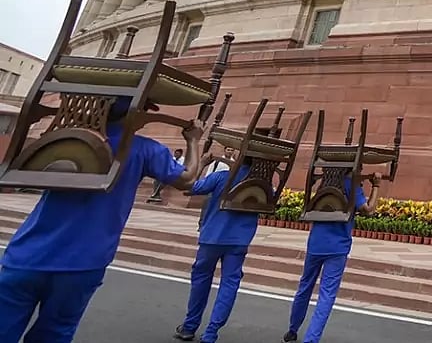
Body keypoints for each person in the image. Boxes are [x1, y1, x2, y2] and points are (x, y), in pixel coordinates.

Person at [0, 96, 205, 342]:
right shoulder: (143, 149)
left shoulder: (69, 138)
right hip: (83, 262)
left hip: (27, 254)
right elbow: (188, 180)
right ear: (136, 113)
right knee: (54, 334)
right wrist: (193, 141)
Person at [173, 154, 262, 342]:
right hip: (239, 241)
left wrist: (203, 164)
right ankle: (211, 332)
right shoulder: (261, 185)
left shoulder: (222, 176)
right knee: (229, 284)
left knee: (201, 281)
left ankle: (189, 326)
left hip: (212, 237)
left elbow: (191, 188)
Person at [282, 173, 379, 343]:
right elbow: (368, 210)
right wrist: (376, 186)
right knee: (326, 295)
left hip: (316, 243)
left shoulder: (326, 182)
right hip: (337, 246)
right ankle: (311, 339)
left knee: (305, 287)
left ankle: (292, 329)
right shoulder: (351, 185)